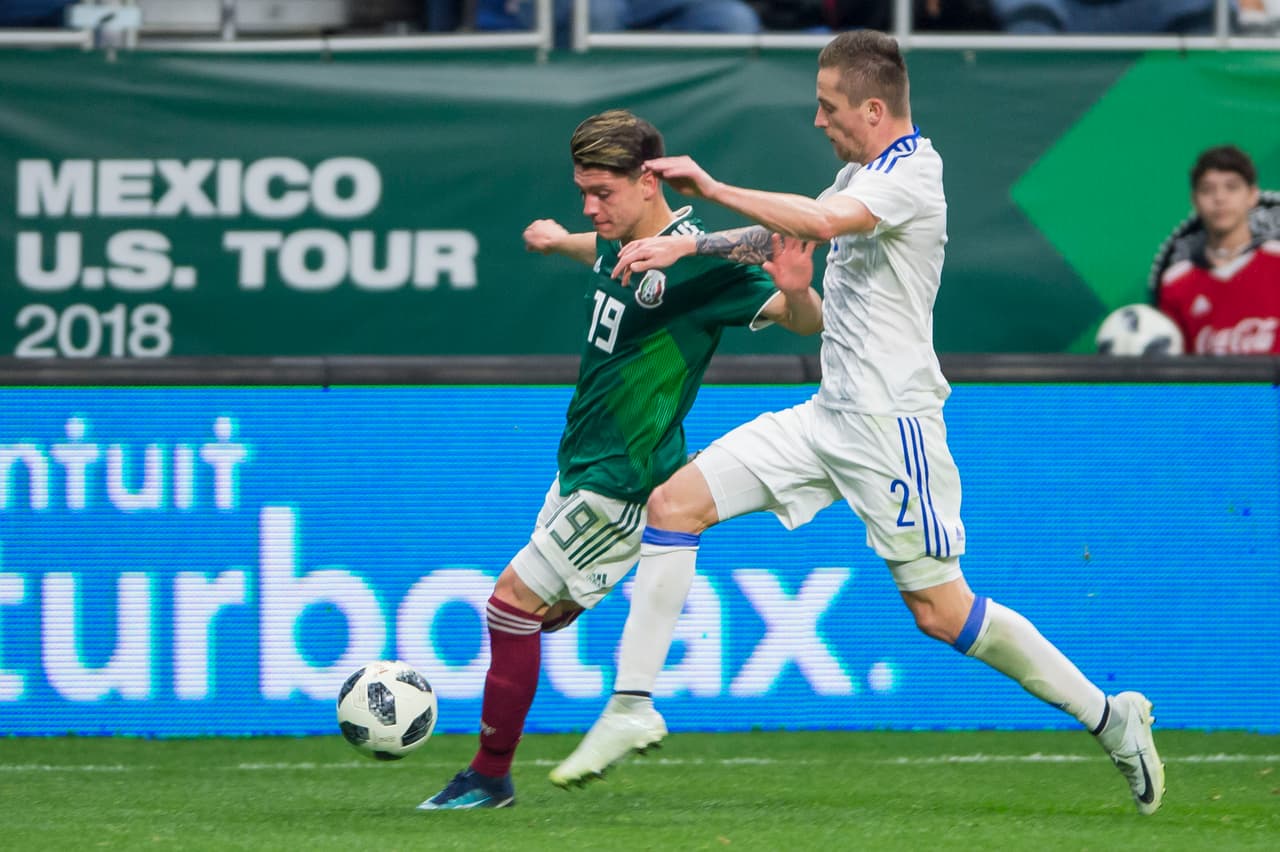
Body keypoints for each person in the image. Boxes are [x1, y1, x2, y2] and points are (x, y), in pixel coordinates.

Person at [548, 30, 1166, 817]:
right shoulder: (862, 170)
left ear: (874, 109)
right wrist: (693, 246)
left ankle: (1112, 717)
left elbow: (817, 219)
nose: (816, 119)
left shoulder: (914, 176)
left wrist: (710, 187)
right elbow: (790, 235)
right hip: (827, 415)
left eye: (827, 105)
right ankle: (631, 707)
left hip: (890, 429)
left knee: (942, 613)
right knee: (675, 503)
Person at [417, 109, 823, 810]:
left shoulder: (697, 260)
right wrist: (559, 241)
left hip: (624, 481)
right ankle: (496, 763)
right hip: (582, 464)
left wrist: (793, 286)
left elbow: (805, 322)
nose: (588, 206)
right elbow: (600, 254)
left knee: (507, 606)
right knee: (538, 617)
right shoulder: (618, 236)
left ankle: (488, 777)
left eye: (601, 192)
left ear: (646, 182)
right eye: (582, 190)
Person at [1153, 145, 1280, 355]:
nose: (1220, 198)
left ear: (1252, 195)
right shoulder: (1176, 282)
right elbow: (1174, 370)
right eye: (1207, 189)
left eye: (1231, 187)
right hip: (1212, 389)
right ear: (1194, 201)